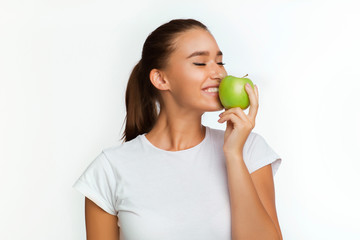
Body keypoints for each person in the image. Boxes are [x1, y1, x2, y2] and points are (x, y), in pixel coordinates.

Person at [73, 18, 283, 240]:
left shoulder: (249, 150)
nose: (219, 74)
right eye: (200, 63)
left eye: (220, 63)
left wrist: (233, 155)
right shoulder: (109, 169)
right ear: (161, 79)